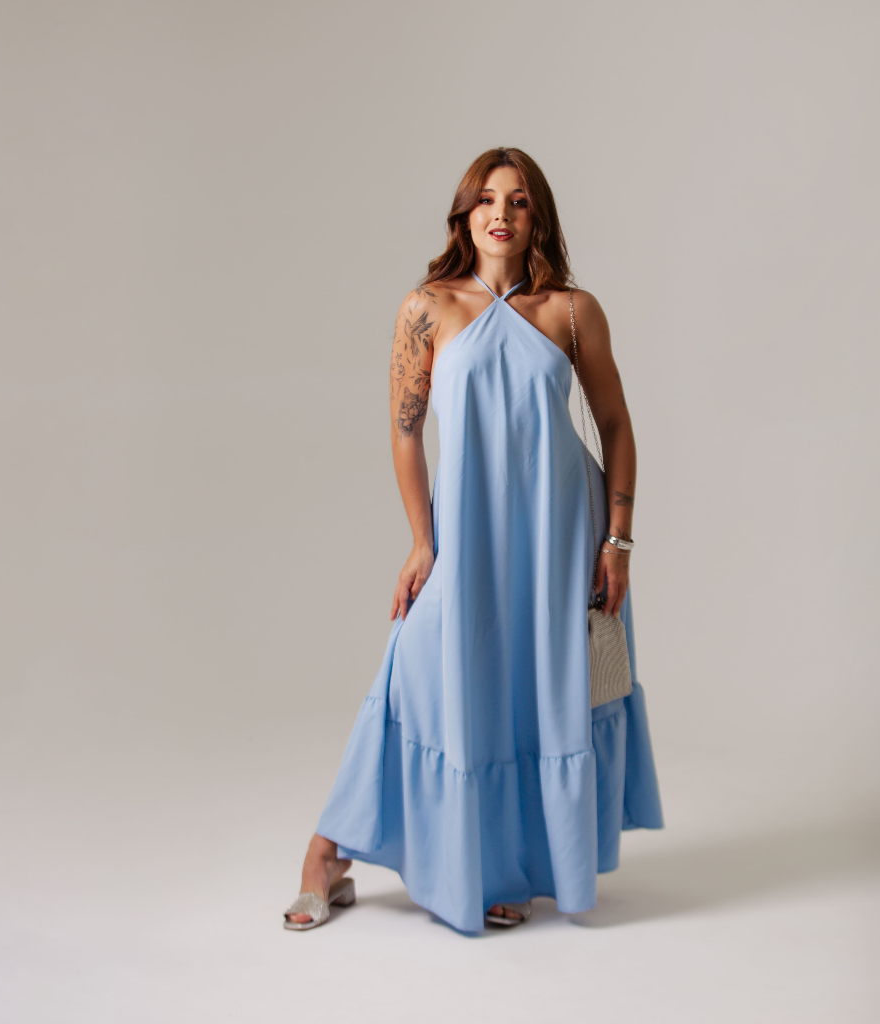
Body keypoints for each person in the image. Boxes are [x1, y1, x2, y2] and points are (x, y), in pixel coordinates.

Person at [282, 147, 663, 934]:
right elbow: (405, 433)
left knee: (530, 691)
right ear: (464, 213)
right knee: (422, 673)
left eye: (519, 201)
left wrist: (617, 542)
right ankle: (327, 852)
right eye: (487, 199)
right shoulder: (427, 307)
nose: (501, 213)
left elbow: (617, 425)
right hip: (467, 530)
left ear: (536, 216)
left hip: (560, 534)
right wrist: (422, 541)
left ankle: (500, 863)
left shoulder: (571, 311)